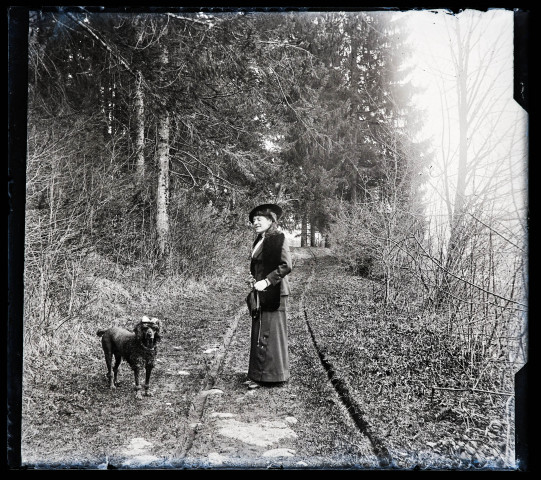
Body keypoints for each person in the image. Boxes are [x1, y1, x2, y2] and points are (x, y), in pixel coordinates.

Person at [245, 203, 292, 389]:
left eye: (259, 219)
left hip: (275, 292)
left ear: (270, 221)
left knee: (269, 333)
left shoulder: (278, 238)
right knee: (260, 332)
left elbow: (286, 265)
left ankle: (271, 375)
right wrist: (254, 279)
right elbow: (259, 265)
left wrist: (266, 281)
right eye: (254, 220)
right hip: (261, 292)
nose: (255, 222)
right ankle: (261, 374)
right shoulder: (260, 240)